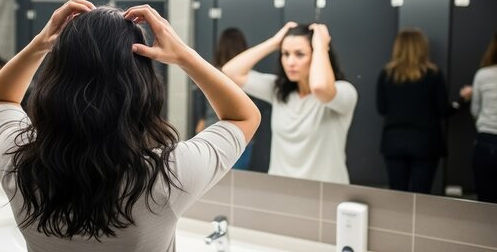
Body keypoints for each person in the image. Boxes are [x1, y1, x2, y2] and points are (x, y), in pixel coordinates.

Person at [0, 0, 260, 251]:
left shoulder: (16, 161)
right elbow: (243, 116)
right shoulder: (167, 176)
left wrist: (40, 43)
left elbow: (1, 97)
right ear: (142, 84)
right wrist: (183, 56)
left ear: (55, 77)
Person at [222, 22, 357, 184]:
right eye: (285, 54)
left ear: (317, 55)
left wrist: (321, 46)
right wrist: (273, 42)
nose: (290, 62)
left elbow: (320, 87)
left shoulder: (344, 92)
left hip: (326, 194)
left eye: (299, 54)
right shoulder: (278, 91)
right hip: (283, 192)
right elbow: (230, 72)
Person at [376, 28, 455, 194]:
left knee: (398, 195)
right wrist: (460, 102)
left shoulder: (387, 74)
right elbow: (443, 110)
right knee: (421, 197)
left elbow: (381, 109)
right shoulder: (434, 74)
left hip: (394, 141)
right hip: (425, 143)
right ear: (423, 48)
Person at [195, 27, 254, 170]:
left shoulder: (211, 73)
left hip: (212, 131)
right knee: (236, 182)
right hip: (240, 135)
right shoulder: (245, 78)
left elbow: (204, 109)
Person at [466, 32, 497, 203]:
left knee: (485, 203)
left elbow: (475, 110)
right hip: (486, 140)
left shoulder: (483, 75)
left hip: (486, 141)